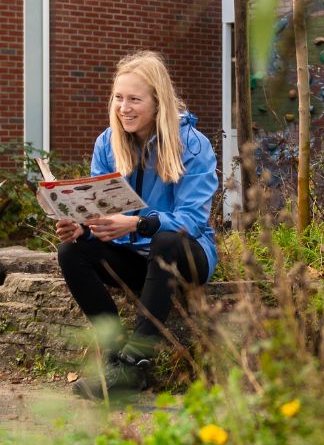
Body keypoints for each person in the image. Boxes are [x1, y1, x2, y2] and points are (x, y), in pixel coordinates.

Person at [57, 51, 219, 399]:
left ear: (157, 101)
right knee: (72, 251)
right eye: (118, 98)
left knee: (165, 241)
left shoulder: (192, 145)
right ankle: (115, 357)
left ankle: (136, 365)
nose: (124, 108)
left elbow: (191, 220)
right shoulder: (107, 142)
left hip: (184, 256)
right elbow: (101, 211)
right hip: (132, 257)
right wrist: (83, 228)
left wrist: (137, 224)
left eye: (134, 99)